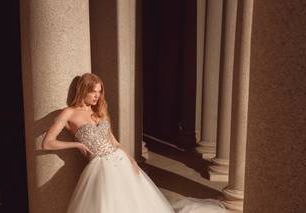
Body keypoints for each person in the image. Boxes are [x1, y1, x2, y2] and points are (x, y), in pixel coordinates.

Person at [42, 73, 226, 213]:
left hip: (120, 160)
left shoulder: (99, 111)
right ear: (83, 90)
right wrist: (77, 145)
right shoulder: (69, 113)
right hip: (101, 167)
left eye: (99, 92)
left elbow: (113, 140)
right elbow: (48, 143)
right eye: (93, 91)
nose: (97, 96)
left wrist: (131, 159)